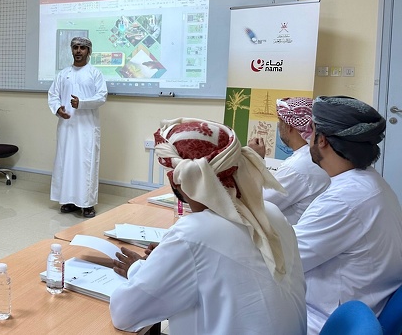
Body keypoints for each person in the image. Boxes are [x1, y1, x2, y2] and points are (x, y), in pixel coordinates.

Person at [109, 118, 307, 334]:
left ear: (179, 181)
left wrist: (138, 269)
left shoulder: (193, 233)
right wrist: (167, 258)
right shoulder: (271, 212)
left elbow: (124, 313)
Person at [293, 96, 402, 334]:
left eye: (311, 130)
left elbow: (285, 259)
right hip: (363, 304)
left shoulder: (344, 199)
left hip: (324, 320)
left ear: (322, 140)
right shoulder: (371, 183)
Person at [48, 36, 107, 218]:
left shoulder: (95, 73)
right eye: (75, 47)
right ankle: (68, 200)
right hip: (67, 126)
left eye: (82, 47)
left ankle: (87, 204)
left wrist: (81, 103)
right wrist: (58, 109)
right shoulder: (63, 74)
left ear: (88, 51)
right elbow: (53, 95)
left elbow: (101, 96)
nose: (78, 51)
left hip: (87, 127)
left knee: (86, 164)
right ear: (71, 50)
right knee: (65, 162)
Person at [248, 97, 330, 224]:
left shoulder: (297, 166)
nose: (278, 126)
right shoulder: (317, 155)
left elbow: (256, 203)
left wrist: (254, 159)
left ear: (289, 126)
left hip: (289, 234)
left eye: (280, 122)